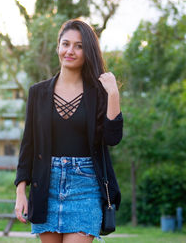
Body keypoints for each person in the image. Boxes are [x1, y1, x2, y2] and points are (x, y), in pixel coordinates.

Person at [14, 19, 123, 243]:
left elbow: (112, 138)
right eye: (66, 44)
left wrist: (113, 94)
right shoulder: (38, 93)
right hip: (46, 186)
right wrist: (20, 192)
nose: (70, 51)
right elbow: (28, 144)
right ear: (58, 47)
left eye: (79, 46)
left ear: (88, 51)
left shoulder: (99, 93)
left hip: (86, 187)